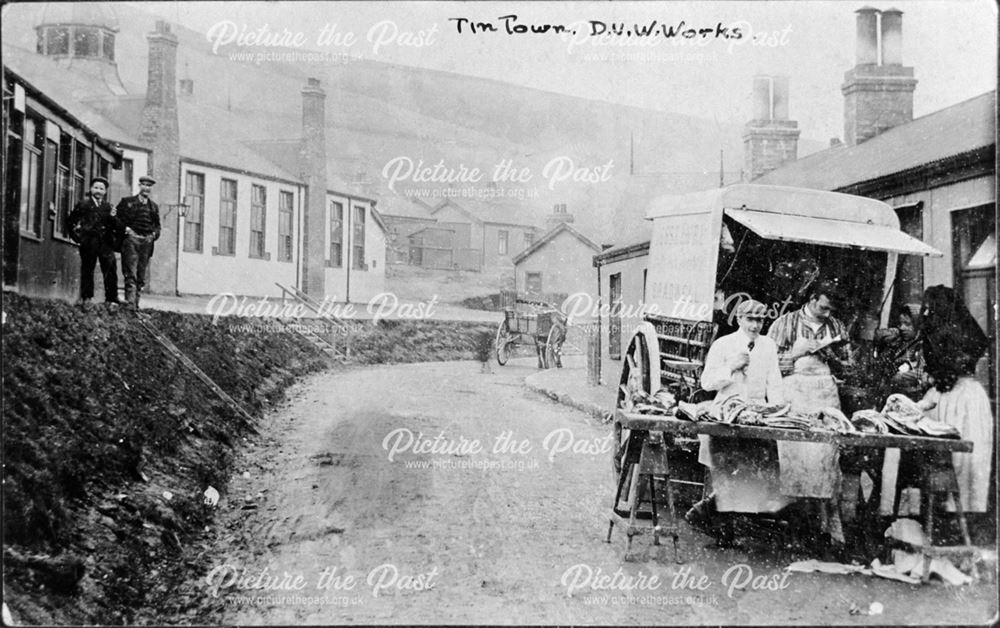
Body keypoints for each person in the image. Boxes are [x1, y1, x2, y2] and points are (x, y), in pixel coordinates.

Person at [687, 300, 788, 528]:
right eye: (750, 319)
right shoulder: (724, 344)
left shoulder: (768, 346)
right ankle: (720, 525)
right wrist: (731, 366)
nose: (755, 325)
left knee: (760, 469)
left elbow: (774, 382)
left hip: (756, 415)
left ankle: (720, 514)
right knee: (726, 469)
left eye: (760, 320)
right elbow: (707, 383)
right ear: (739, 319)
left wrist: (777, 410)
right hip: (726, 414)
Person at [767, 281, 852, 543]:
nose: (827, 314)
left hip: (825, 394)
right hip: (796, 394)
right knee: (796, 458)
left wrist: (832, 357)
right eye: (824, 308)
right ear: (812, 299)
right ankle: (796, 525)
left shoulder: (836, 327)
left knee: (825, 458)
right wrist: (794, 354)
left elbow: (849, 367)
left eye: (831, 310)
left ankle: (825, 526)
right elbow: (768, 364)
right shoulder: (785, 323)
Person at [916, 286, 992, 514]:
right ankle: (938, 508)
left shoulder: (962, 335)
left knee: (963, 459)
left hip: (963, 397)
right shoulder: (932, 332)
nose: (926, 313)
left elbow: (958, 365)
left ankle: (963, 511)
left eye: (930, 308)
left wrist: (937, 374)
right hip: (943, 396)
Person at [67, 176, 120, 306]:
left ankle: (111, 299)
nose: (98, 191)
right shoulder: (83, 204)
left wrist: (113, 217)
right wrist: (77, 238)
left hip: (105, 243)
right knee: (87, 269)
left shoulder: (108, 207)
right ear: (91, 189)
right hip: (89, 242)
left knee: (110, 269)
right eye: (96, 187)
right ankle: (87, 298)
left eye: (101, 189)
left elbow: (115, 226)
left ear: (105, 191)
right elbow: (70, 221)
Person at [115, 176, 161, 310]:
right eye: (144, 185)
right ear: (139, 186)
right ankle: (130, 303)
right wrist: (126, 229)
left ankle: (136, 304)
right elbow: (116, 218)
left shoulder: (153, 207)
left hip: (146, 241)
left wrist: (153, 235)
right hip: (131, 240)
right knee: (130, 271)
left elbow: (157, 226)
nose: (146, 188)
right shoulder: (127, 202)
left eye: (149, 186)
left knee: (141, 274)